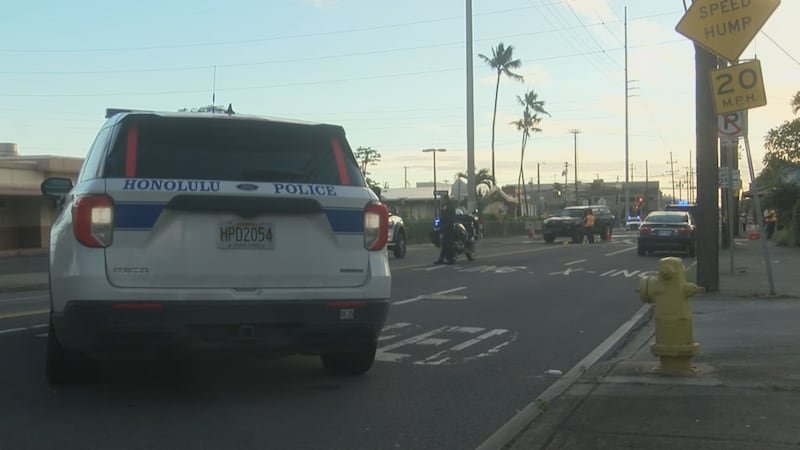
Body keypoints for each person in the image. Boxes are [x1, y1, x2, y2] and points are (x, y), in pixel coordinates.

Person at [434, 193, 456, 264]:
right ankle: (442, 258)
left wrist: (447, 225)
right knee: (444, 244)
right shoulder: (444, 206)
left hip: (448, 227)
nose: (441, 200)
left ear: (446, 199)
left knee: (449, 243)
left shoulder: (449, 206)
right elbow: (441, 216)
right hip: (444, 227)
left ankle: (451, 258)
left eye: (442, 198)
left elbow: (449, 217)